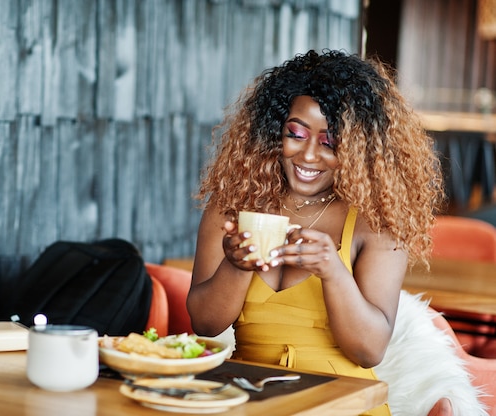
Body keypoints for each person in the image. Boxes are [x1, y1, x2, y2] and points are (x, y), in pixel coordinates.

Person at [186, 50, 448, 415]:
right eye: (296, 133)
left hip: (342, 404)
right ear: (274, 132)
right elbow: (205, 323)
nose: (308, 155)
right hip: (248, 399)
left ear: (359, 149)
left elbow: (369, 350)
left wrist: (333, 271)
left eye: (329, 142)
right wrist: (236, 265)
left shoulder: (376, 222)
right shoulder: (232, 205)